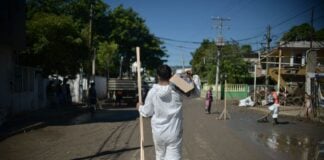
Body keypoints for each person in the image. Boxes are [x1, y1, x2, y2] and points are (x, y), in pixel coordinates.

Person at [137, 65, 200, 160]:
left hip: (158, 133)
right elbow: (196, 93)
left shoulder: (152, 92)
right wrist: (193, 76)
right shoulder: (177, 91)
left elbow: (147, 112)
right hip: (174, 133)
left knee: (160, 157)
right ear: (171, 75)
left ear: (158, 76)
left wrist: (139, 107)